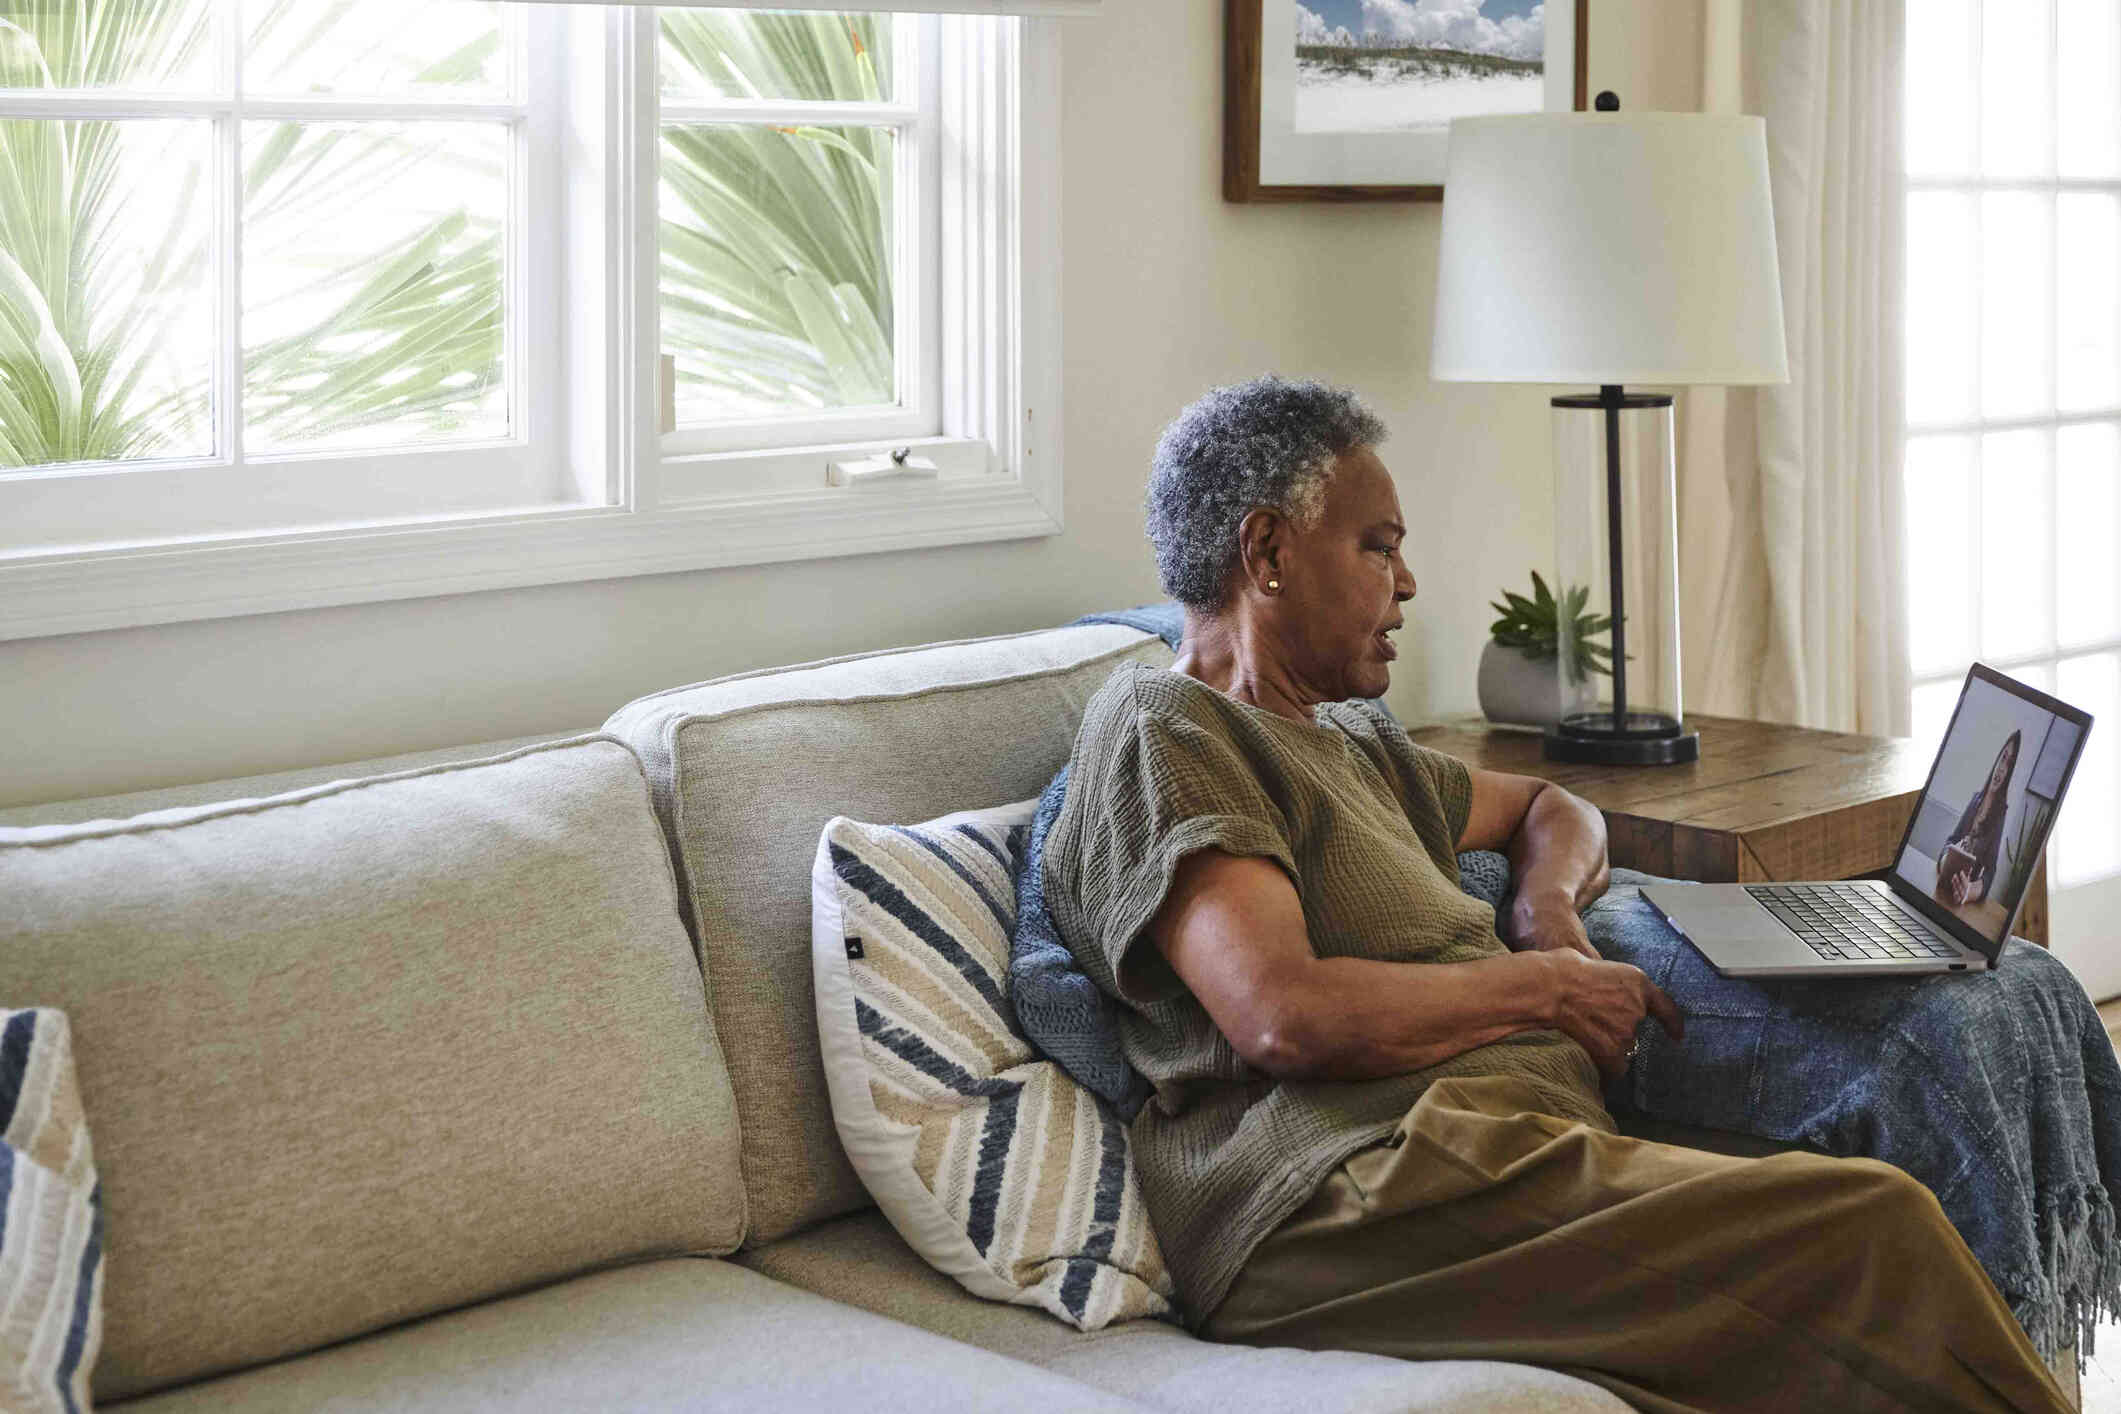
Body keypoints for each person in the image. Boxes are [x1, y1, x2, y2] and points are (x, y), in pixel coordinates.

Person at [1041, 376, 2070, 1413]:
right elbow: (1280, 1014)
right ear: (1266, 555)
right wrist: (1544, 990)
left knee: (1869, 1189)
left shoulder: (1351, 737)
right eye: (1378, 546)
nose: (1407, 585)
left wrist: (1549, 915)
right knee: (1870, 1232)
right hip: (1341, 1192)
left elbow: (1552, 805)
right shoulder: (1169, 728)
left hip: (1498, 1146)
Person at [1936, 731, 2021, 908]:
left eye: (2009, 764)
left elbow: (1990, 872)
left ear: (2009, 774)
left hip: (1961, 903)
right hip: (1942, 888)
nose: (2002, 768)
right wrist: (1945, 863)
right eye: (2003, 757)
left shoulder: (2000, 814)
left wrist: (1969, 891)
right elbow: (1951, 840)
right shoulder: (1975, 800)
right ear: (1997, 759)